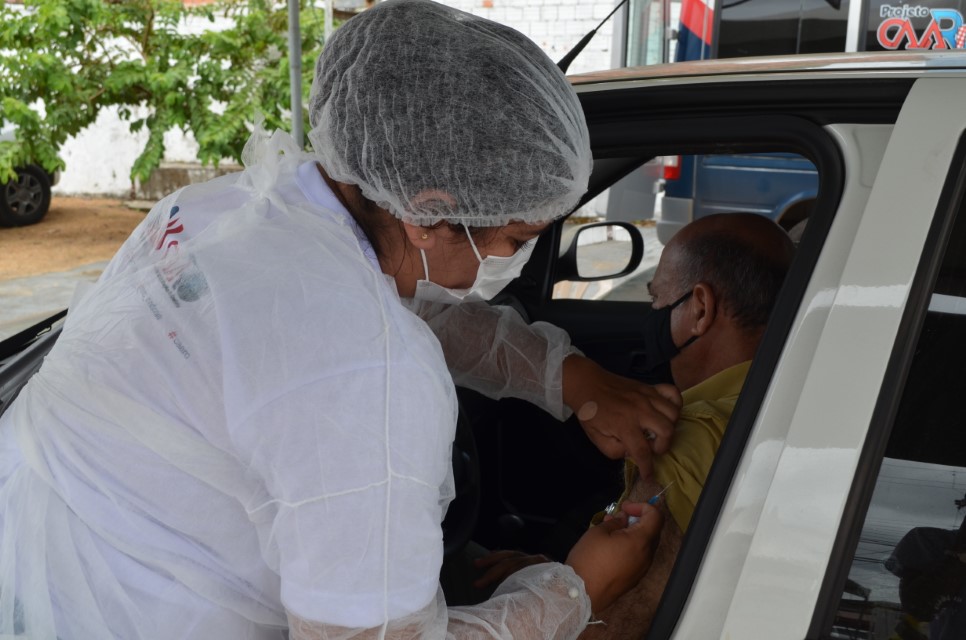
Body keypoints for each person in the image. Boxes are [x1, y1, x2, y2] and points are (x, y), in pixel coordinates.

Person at [0, 2, 680, 638]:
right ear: (427, 212)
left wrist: (569, 378)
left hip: (38, 557)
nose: (512, 259)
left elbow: (376, 304)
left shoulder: (232, 208)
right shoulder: (367, 383)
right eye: (517, 238)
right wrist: (576, 591)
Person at [573, 212, 795, 639]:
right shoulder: (786, 399)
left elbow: (607, 629)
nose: (652, 315)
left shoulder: (687, 441)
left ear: (700, 309)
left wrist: (549, 596)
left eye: (657, 300)